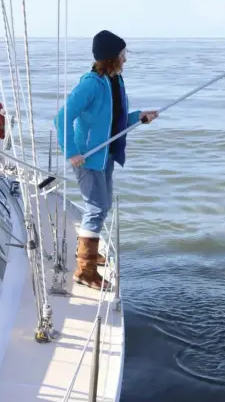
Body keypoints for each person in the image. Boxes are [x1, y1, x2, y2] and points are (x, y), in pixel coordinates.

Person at [54, 30, 158, 290]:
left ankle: (89, 250)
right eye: (123, 54)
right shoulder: (91, 84)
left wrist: (138, 117)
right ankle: (85, 270)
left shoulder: (115, 81)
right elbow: (62, 118)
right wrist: (71, 152)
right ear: (112, 57)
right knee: (96, 207)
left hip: (106, 154)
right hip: (87, 157)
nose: (126, 58)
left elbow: (115, 119)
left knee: (104, 203)